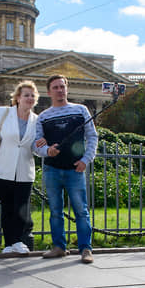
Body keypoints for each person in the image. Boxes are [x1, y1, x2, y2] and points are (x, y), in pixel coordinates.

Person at [34, 74, 98, 263]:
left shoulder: (80, 110)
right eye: (56, 87)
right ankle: (59, 247)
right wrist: (47, 150)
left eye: (62, 87)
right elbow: (36, 144)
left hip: (75, 169)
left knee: (81, 210)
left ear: (67, 89)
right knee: (55, 211)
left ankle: (86, 249)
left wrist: (86, 159)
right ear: (49, 92)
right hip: (52, 170)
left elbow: (92, 136)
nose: (60, 90)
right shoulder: (43, 117)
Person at [0, 81, 40, 254]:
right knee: (7, 206)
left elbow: (36, 148)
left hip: (25, 170)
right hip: (1, 168)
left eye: (32, 95)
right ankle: (9, 243)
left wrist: (46, 149)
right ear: (18, 98)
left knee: (21, 206)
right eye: (26, 95)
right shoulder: (4, 113)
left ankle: (18, 241)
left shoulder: (37, 120)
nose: (29, 98)